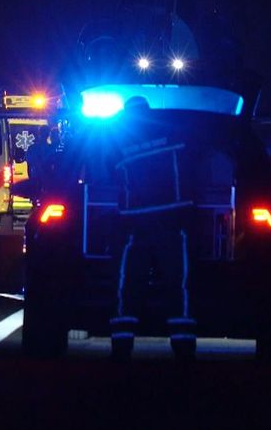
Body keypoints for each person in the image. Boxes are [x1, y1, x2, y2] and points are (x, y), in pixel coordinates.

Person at [107, 97, 197, 361]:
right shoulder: (172, 128)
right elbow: (194, 157)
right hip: (174, 217)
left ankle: (122, 348)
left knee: (128, 284)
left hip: (134, 222)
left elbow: (108, 171)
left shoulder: (116, 138)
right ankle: (183, 348)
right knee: (178, 284)